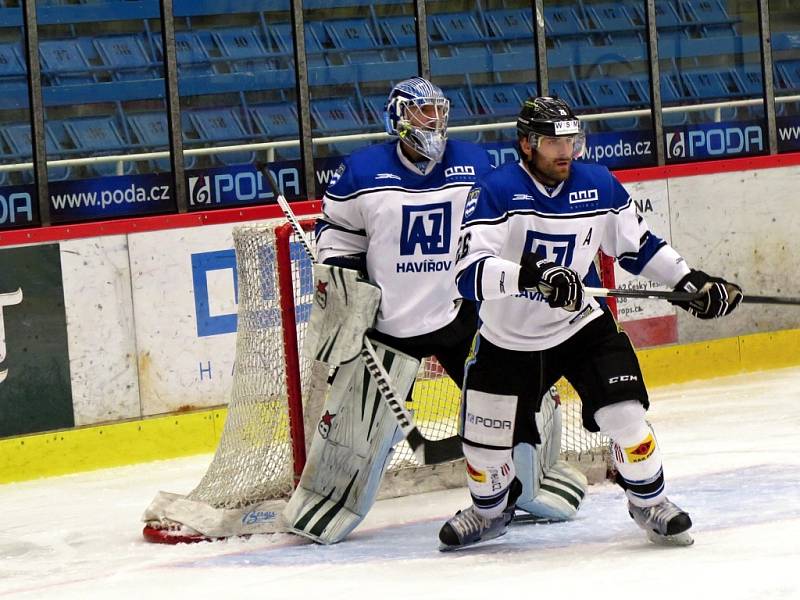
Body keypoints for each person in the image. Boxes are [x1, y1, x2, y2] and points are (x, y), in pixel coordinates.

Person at [439, 95, 742, 550]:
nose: (566, 152)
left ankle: (649, 501)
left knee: (626, 416)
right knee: (483, 449)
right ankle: (490, 511)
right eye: (552, 142)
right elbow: (468, 275)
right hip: (507, 339)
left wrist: (689, 281)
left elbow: (638, 246)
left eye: (572, 140)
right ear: (526, 144)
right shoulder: (495, 190)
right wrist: (533, 274)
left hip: (579, 327)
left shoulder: (599, 184)